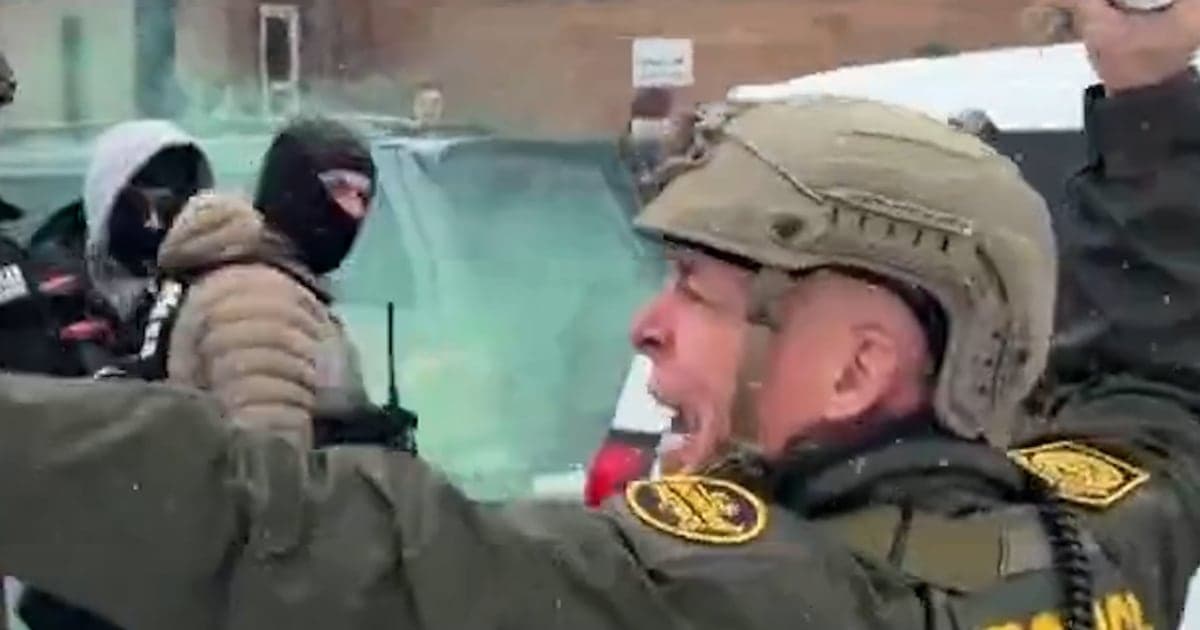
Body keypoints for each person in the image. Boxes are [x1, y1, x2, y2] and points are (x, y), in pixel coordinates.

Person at [0, 2, 1193, 629]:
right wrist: (1154, 95)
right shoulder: (1097, 540)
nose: (643, 328)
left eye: (700, 292)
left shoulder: (719, 595)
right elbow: (1156, 384)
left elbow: (279, 528)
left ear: (854, 367)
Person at [134, 117, 378, 450]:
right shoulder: (259, 299)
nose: (353, 210)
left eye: (364, 195)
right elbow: (270, 474)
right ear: (294, 184)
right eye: (338, 188)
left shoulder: (271, 282)